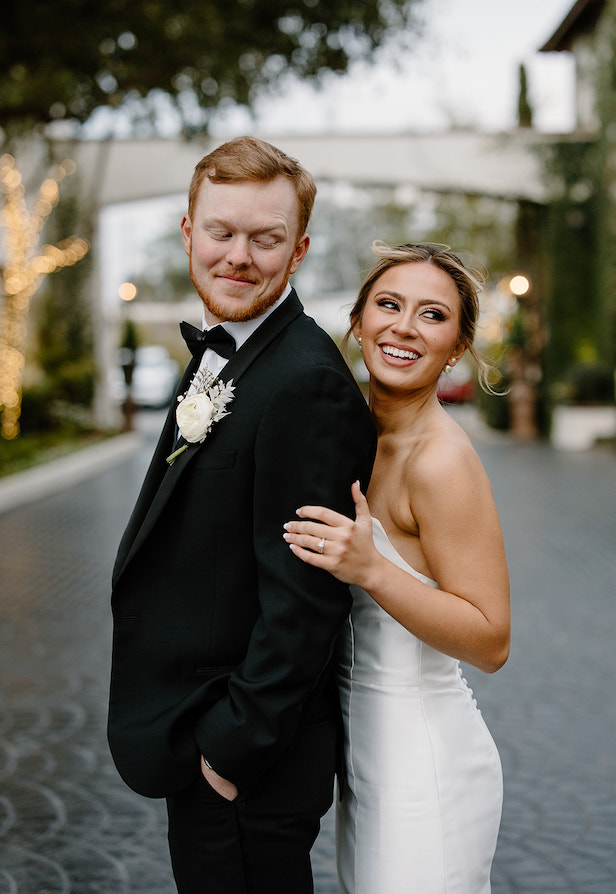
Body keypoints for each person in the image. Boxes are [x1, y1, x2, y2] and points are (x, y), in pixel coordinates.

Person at [107, 136, 376, 894]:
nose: (239, 256)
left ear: (299, 252)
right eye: (221, 232)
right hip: (206, 734)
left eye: (267, 239)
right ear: (189, 233)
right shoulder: (230, 352)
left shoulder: (306, 383)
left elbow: (306, 601)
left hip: (245, 765)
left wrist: (229, 753)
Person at [284, 242, 510, 894]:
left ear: (459, 344)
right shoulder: (353, 435)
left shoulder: (441, 462)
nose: (404, 327)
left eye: (432, 315)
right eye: (388, 304)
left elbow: (492, 640)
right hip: (365, 757)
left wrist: (374, 570)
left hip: (425, 767)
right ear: (357, 322)